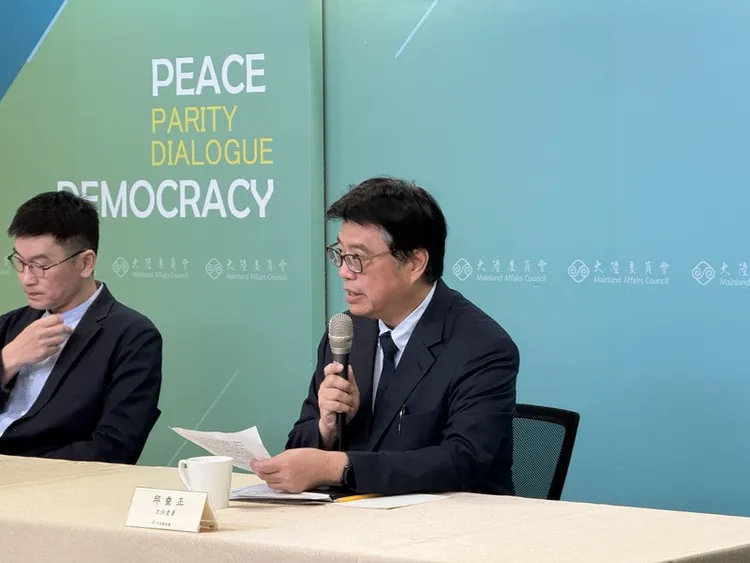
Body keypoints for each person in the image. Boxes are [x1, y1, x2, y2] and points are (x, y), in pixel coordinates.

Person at [251, 177, 520, 495]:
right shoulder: (347, 332)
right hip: (352, 517)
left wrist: (337, 467)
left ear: (415, 263)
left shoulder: (482, 346)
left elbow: (461, 461)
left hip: (453, 521)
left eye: (357, 258)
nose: (343, 271)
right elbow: (300, 450)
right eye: (340, 254)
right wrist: (326, 427)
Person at [0, 191, 162, 463]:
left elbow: (115, 447)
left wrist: (21, 469)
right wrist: (8, 360)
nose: (26, 279)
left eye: (39, 266)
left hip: (48, 479)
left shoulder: (132, 336)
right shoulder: (10, 324)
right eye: (20, 263)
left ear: (85, 263)